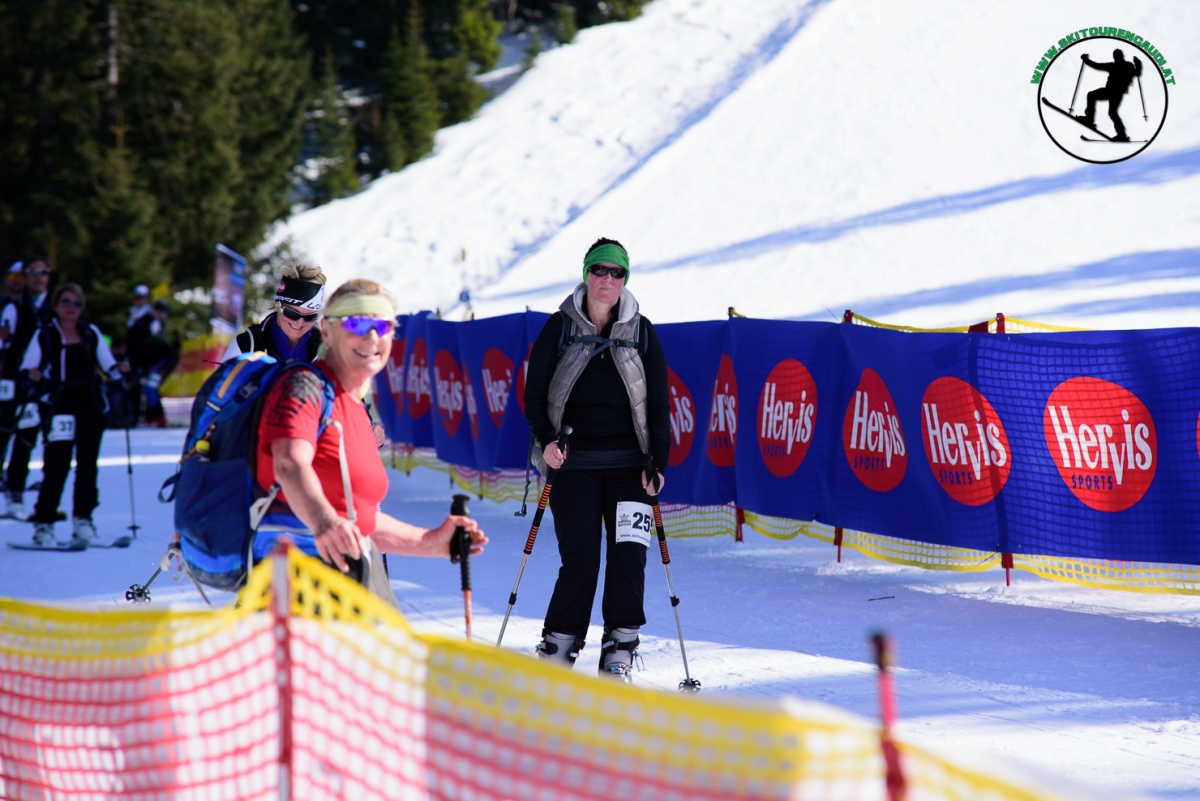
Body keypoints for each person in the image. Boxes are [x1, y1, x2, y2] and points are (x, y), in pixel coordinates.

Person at [255, 278, 487, 599]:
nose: (372, 337)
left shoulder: (352, 404)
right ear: (328, 331)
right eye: (358, 324)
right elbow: (289, 463)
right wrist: (325, 522)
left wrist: (431, 542)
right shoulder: (305, 386)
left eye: (383, 325)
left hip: (341, 584)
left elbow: (359, 518)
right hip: (294, 589)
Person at [523, 237, 670, 680]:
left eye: (617, 272)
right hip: (574, 464)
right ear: (586, 274)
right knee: (581, 558)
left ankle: (619, 650)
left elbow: (659, 404)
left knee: (629, 556)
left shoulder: (641, 331)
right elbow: (534, 395)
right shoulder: (560, 326)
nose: (607, 279)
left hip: (630, 467)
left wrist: (658, 463)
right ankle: (559, 646)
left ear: (625, 279)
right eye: (599, 270)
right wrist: (547, 440)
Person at [22, 284, 128, 545]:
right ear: (56, 305)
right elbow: (27, 369)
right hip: (58, 404)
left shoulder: (90, 333)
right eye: (66, 302)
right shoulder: (45, 334)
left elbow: (109, 366)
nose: (71, 308)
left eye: (77, 303)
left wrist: (120, 371)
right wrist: (33, 375)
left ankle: (83, 520)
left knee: (88, 464)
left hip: (89, 404)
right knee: (57, 464)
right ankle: (44, 523)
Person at [2, 257, 56, 519]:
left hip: (47, 385)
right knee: (7, 434)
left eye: (43, 272)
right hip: (15, 382)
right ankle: (13, 492)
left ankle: (22, 495)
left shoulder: (56, 306)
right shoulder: (14, 307)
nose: (38, 278)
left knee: (33, 439)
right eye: (32, 273)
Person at [223, 263, 326, 363]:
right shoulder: (247, 345)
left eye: (310, 316)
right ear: (277, 305)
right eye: (292, 313)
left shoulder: (327, 351)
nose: (300, 322)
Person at [128, 299, 179, 426]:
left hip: (162, 359)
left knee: (150, 387)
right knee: (149, 387)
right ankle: (152, 417)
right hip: (157, 358)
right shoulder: (147, 323)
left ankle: (157, 418)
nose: (162, 316)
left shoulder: (155, 324)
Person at [1076, 49, 1143, 142]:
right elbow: (1137, 72)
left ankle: (1089, 120)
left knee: (1093, 96)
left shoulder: (1121, 65)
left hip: (1112, 91)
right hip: (1116, 93)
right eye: (1115, 56)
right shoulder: (1125, 65)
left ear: (1119, 56)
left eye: (1116, 56)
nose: (1115, 57)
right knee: (1112, 112)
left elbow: (1097, 65)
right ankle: (1121, 135)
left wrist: (1085, 59)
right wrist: (1138, 63)